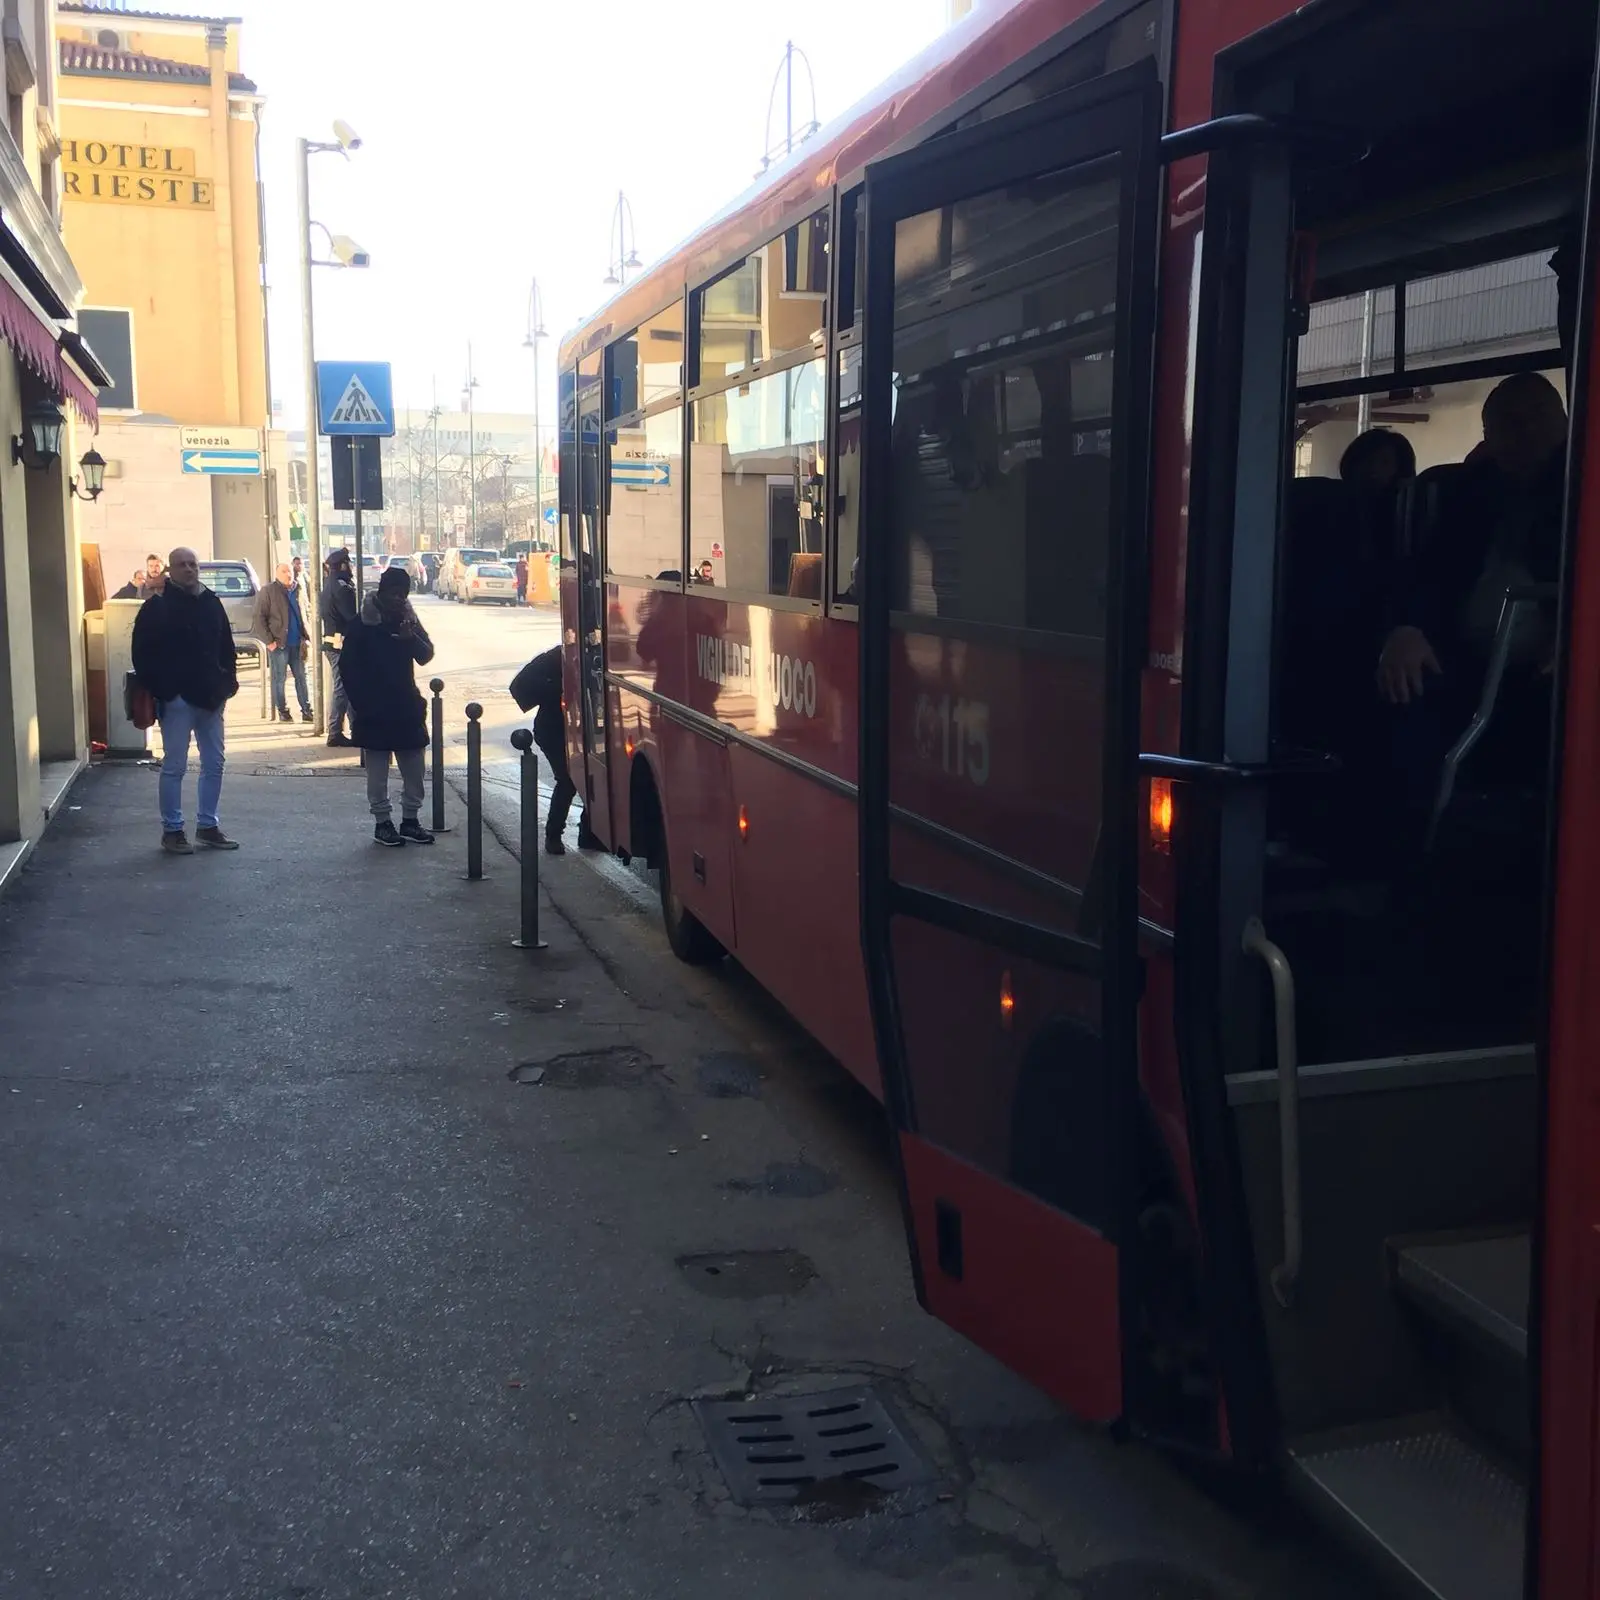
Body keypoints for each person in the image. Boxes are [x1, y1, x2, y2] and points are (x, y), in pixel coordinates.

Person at [130, 546, 240, 854]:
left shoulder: (211, 603)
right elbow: (142, 654)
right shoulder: (157, 608)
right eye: (182, 565)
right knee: (175, 766)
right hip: (177, 700)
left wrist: (227, 684)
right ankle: (173, 830)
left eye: (193, 564)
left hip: (211, 698)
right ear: (170, 571)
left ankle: (208, 826)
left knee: (215, 763)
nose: (189, 569)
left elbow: (225, 647)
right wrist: (165, 690)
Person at [339, 566, 436, 847]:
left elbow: (426, 655)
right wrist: (361, 705)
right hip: (373, 711)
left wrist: (410, 639)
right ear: (381, 592)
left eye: (403, 594)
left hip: (405, 707)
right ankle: (383, 823)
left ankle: (410, 820)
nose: (399, 599)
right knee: (378, 774)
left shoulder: (408, 620)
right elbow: (347, 668)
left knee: (414, 770)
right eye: (394, 593)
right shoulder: (362, 624)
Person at [509, 644, 598, 855]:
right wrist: (562, 688)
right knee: (567, 781)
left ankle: (588, 833)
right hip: (554, 731)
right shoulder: (558, 657)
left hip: (586, 728)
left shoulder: (595, 654)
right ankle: (553, 835)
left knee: (591, 777)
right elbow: (519, 686)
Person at [253, 562, 313, 723]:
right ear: (277, 574)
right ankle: (283, 711)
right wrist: (269, 641)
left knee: (302, 677)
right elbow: (259, 617)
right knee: (279, 679)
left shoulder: (298, 589)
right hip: (279, 643)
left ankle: (307, 710)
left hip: (298, 643)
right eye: (284, 571)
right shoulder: (268, 591)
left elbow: (305, 611)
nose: (288, 574)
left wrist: (307, 636)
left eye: (289, 571)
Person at [319, 548, 358, 747]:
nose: (350, 567)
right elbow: (351, 617)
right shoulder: (342, 588)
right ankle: (335, 731)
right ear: (342, 565)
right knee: (342, 689)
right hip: (340, 644)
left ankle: (355, 728)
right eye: (348, 563)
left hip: (332, 642)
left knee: (347, 688)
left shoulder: (329, 584)